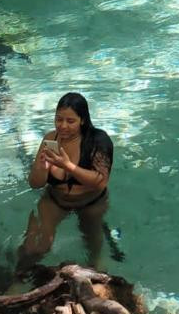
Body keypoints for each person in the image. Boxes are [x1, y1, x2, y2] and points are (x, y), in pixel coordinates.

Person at [16, 92, 114, 271]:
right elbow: (35, 184)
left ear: (82, 120)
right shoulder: (50, 139)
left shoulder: (98, 141)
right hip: (56, 199)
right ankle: (21, 277)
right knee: (37, 244)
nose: (63, 126)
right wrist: (41, 168)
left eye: (70, 121)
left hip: (91, 201)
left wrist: (68, 166)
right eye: (58, 119)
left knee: (91, 239)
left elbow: (100, 181)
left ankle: (96, 264)